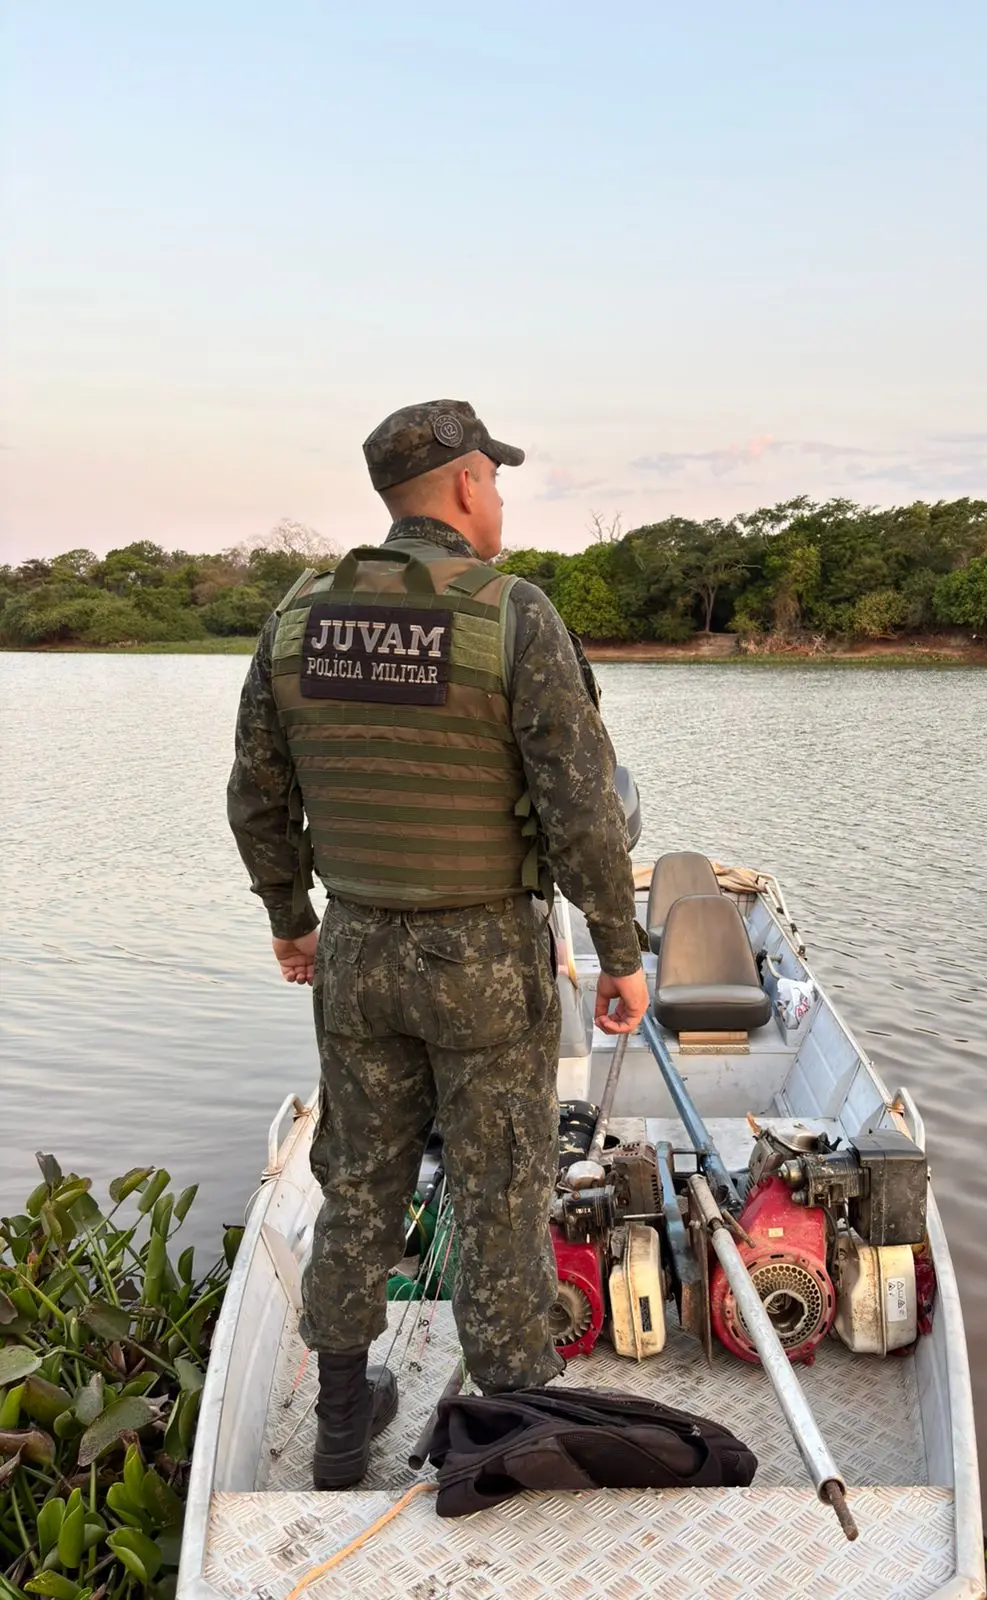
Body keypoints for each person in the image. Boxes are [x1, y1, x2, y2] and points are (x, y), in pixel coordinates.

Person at [227, 399, 648, 1490]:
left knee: (358, 1184)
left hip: (356, 951)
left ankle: (338, 1431)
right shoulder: (512, 616)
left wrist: (290, 919)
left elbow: (257, 798)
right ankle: (504, 1432)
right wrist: (619, 949)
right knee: (499, 1189)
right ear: (465, 484)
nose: (498, 497)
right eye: (494, 479)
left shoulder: (296, 617)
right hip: (483, 958)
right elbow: (583, 810)